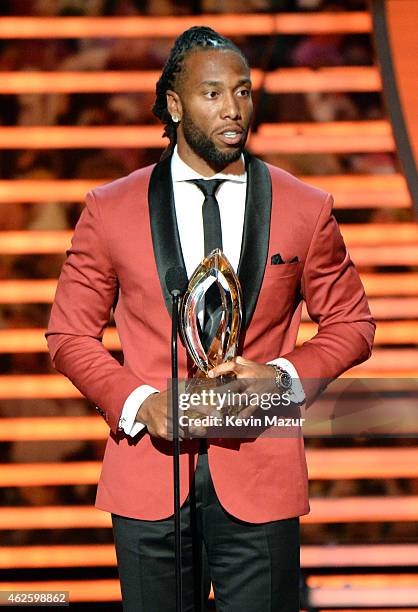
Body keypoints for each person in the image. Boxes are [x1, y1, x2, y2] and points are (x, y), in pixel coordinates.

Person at [46, 26, 375, 612]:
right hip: (148, 476)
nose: (234, 109)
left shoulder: (305, 207)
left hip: (262, 469)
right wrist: (140, 402)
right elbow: (69, 334)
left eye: (244, 92)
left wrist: (280, 379)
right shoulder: (110, 208)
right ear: (174, 105)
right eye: (214, 93)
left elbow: (352, 324)